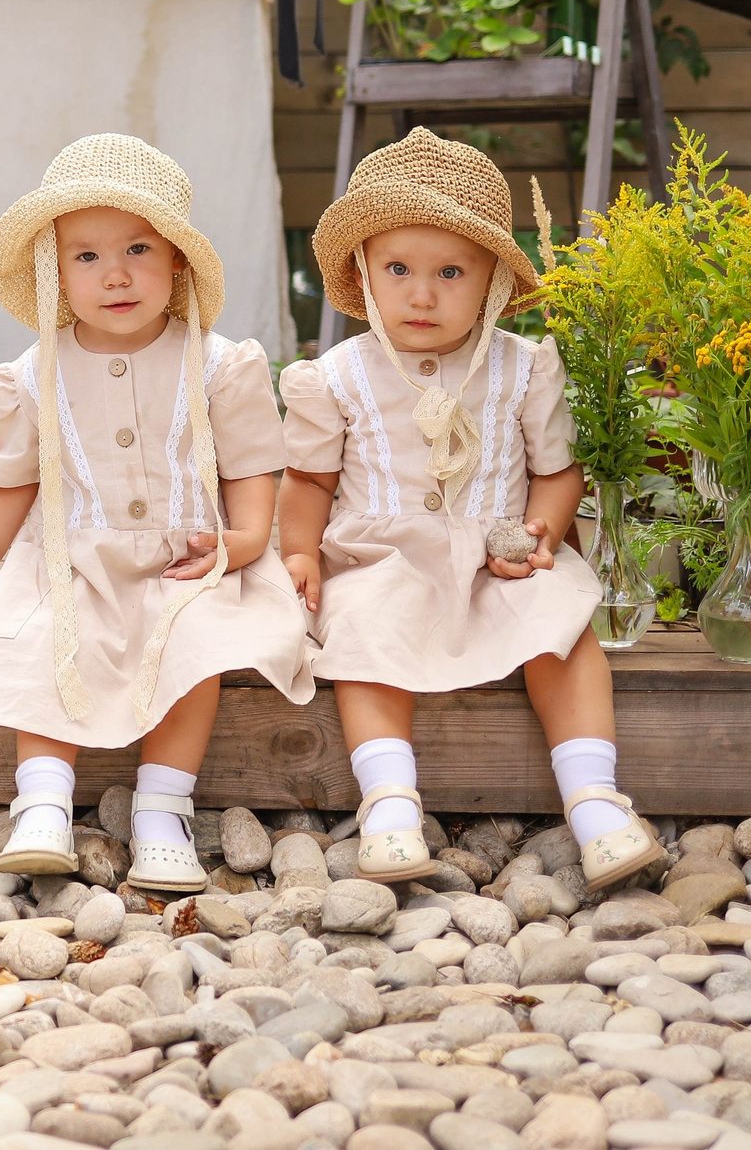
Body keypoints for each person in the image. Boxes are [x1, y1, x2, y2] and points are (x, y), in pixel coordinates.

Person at [0, 134, 315, 895]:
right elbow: (13, 477)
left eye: (137, 249)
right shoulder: (33, 371)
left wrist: (248, 535)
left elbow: (251, 460)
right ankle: (43, 803)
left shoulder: (220, 362)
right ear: (55, 271)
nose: (114, 274)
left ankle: (164, 807)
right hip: (73, 554)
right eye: (85, 256)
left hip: (188, 557)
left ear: (178, 262)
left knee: (195, 646)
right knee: (49, 643)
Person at [277, 128, 660, 889]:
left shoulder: (524, 366)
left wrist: (541, 530)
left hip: (497, 552)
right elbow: (310, 481)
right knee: (363, 637)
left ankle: (595, 800)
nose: (422, 294)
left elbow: (558, 473)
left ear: (492, 281)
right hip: (381, 557)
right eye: (399, 269)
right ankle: (389, 803)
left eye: (450, 271)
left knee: (561, 628)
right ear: (364, 272)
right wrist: (297, 553)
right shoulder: (339, 376)